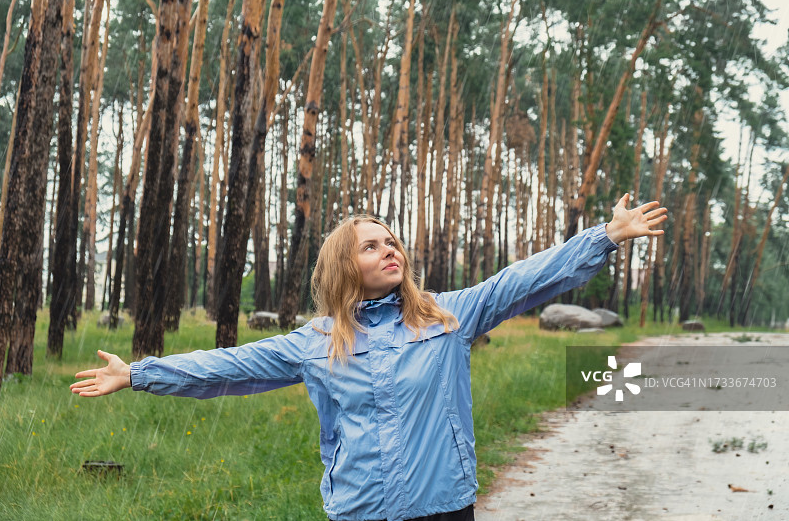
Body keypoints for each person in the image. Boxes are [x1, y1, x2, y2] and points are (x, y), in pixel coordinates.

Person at [71, 193, 667, 521]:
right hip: (359, 511)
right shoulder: (316, 342)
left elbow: (521, 280)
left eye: (393, 241)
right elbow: (232, 366)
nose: (391, 250)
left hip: (442, 507)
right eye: (372, 245)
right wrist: (140, 373)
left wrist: (604, 238)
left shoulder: (446, 317)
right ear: (343, 265)